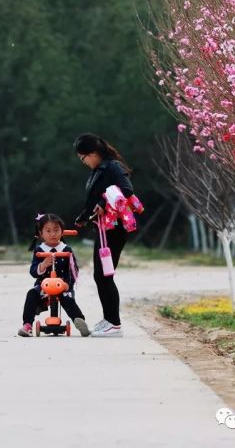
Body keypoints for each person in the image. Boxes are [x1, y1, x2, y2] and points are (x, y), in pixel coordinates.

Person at [74, 133, 133, 337]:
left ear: (92, 153)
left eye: (83, 158)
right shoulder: (98, 169)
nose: (83, 162)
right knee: (101, 275)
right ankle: (109, 319)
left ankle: (114, 324)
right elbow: (95, 198)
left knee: (104, 275)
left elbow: (126, 190)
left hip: (114, 228)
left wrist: (102, 204)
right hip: (102, 227)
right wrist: (84, 216)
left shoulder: (112, 167)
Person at [18, 213, 91, 337]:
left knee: (67, 298)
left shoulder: (66, 249)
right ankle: (27, 325)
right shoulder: (39, 250)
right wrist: (43, 265)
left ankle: (79, 320)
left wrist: (68, 284)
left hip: (62, 285)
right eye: (48, 231)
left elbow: (73, 270)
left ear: (62, 231)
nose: (52, 234)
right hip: (44, 286)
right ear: (41, 233)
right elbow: (33, 271)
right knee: (32, 294)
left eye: (56, 230)